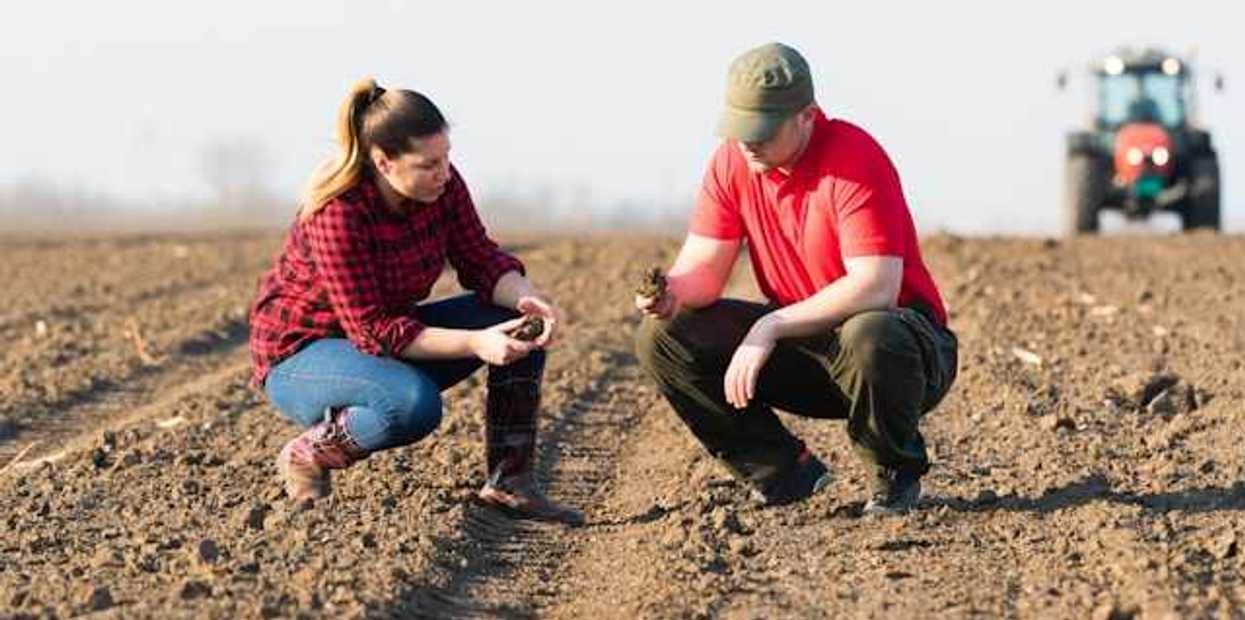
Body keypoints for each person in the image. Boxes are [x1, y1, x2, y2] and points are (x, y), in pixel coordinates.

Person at [634, 43, 958, 515]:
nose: (748, 143)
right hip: (810, 347)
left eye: (762, 131)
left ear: (806, 116)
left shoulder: (853, 157)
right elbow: (704, 263)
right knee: (663, 337)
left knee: (870, 331)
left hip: (903, 352)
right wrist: (672, 293)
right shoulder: (733, 163)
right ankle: (784, 473)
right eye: (740, 129)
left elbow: (876, 286)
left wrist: (770, 325)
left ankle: (894, 473)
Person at [249, 77, 579, 524]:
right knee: (412, 406)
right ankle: (309, 451)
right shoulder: (338, 212)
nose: (444, 173)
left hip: (378, 342)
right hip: (302, 356)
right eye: (428, 164)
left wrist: (527, 300)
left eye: (447, 159)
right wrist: (476, 343)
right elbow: (373, 331)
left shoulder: (440, 188)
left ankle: (510, 483)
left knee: (516, 321)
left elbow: (479, 258)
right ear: (384, 163)